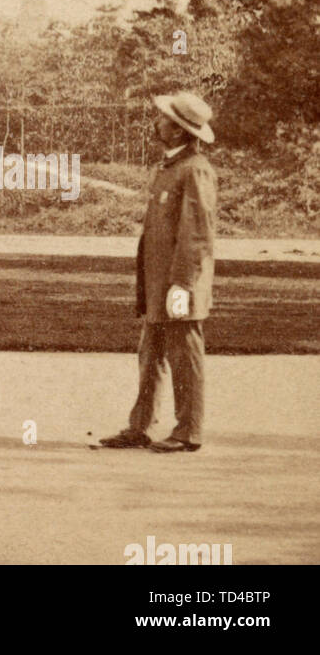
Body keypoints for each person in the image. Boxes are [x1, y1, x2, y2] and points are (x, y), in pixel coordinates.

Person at [99, 91, 218, 453]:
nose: (158, 122)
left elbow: (197, 234)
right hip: (158, 285)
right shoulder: (168, 168)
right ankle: (140, 427)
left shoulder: (195, 169)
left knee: (185, 356)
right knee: (150, 356)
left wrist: (182, 284)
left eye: (165, 119)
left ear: (180, 132)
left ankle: (188, 432)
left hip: (180, 285)